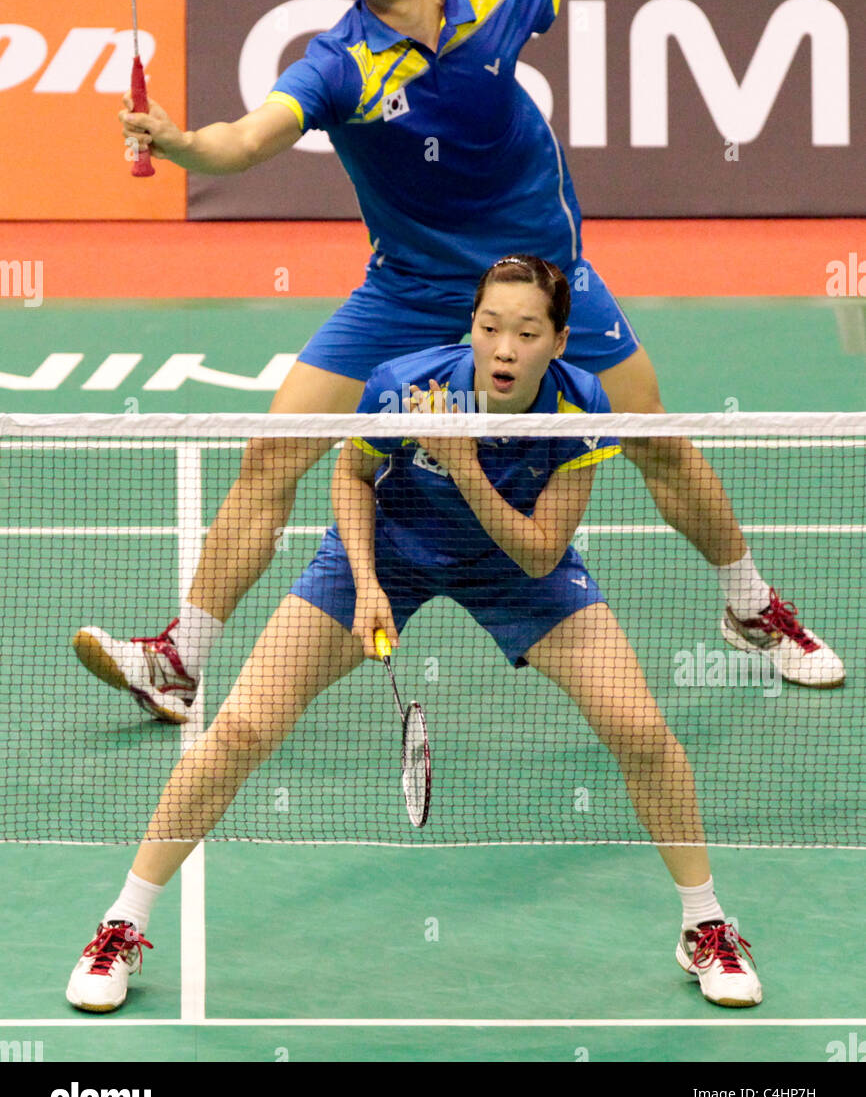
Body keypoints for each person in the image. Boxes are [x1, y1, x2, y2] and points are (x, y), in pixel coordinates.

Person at [72, 0, 842, 723]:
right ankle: (181, 660)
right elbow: (248, 141)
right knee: (273, 450)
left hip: (539, 283)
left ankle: (751, 607)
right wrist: (180, 144)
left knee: (652, 438)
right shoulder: (340, 64)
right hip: (410, 287)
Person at [66, 257, 762, 1012]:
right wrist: (366, 585)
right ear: (470, 325)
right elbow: (352, 476)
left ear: (559, 342)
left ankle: (706, 925)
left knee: (642, 730)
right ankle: (121, 922)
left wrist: (463, 465)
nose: (503, 348)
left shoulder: (580, 406)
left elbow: (537, 550)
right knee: (240, 727)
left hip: (516, 564)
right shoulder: (406, 383)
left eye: (526, 333)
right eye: (490, 327)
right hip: (390, 548)